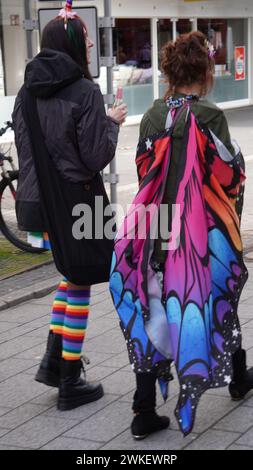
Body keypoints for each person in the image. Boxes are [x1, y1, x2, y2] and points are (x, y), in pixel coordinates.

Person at [109, 31, 252, 439]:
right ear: (205, 71)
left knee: (153, 306)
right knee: (215, 298)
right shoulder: (210, 116)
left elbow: (143, 172)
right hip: (199, 232)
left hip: (156, 229)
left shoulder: (154, 115)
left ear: (171, 72)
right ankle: (238, 376)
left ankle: (143, 410)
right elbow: (227, 179)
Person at [12, 0, 127, 411]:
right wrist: (111, 123)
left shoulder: (26, 90)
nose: (91, 52)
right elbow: (94, 156)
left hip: (36, 205)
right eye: (88, 45)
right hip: (75, 205)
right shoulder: (84, 92)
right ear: (75, 46)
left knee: (69, 275)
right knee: (79, 281)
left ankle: (53, 360)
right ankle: (70, 378)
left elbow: (29, 148)